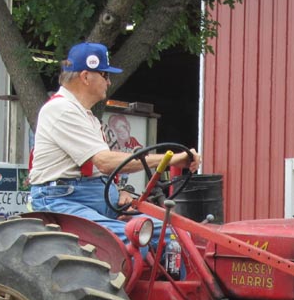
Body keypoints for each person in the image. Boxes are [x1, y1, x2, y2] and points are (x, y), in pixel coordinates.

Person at [27, 42, 199, 249]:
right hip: (62, 201)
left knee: (173, 233)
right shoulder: (62, 110)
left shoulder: (84, 115)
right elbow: (105, 161)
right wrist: (171, 159)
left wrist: (119, 191)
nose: (109, 82)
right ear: (86, 76)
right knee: (142, 237)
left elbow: (99, 168)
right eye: (105, 75)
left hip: (84, 197)